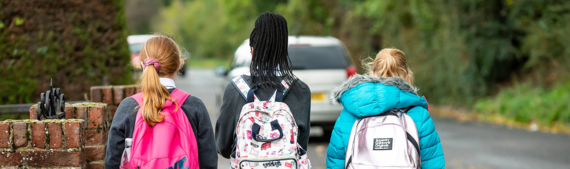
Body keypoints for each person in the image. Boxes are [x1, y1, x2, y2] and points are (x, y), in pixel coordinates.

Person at [105, 36, 217, 169]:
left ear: (142, 65)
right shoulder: (194, 106)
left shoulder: (128, 107)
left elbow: (112, 162)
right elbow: (208, 162)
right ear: (179, 65)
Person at [326, 48, 445, 169]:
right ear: (406, 76)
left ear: (373, 73)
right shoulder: (419, 115)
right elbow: (433, 164)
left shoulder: (349, 114)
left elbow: (335, 163)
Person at [215, 12, 311, 159]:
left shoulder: (234, 89)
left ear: (252, 50)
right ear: (284, 50)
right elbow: (301, 147)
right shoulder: (301, 90)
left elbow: (223, 147)